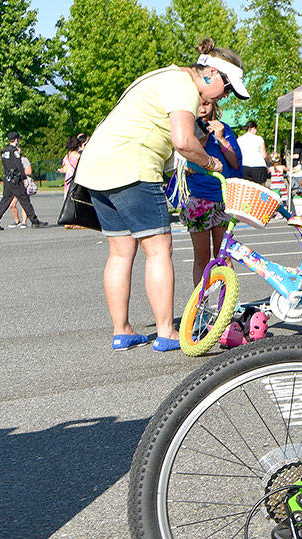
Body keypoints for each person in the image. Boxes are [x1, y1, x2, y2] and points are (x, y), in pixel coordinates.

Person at [74, 38, 249, 350]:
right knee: (158, 249)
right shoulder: (184, 85)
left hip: (96, 167)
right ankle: (167, 332)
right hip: (132, 167)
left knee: (119, 252)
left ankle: (122, 330)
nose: (226, 95)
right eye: (226, 87)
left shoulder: (163, 76)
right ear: (210, 73)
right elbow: (183, 140)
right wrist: (212, 163)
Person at [175, 100, 241, 286]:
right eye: (198, 104)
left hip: (222, 198)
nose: (203, 109)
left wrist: (220, 138)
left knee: (224, 255)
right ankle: (200, 305)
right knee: (202, 258)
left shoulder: (224, 128)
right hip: (197, 199)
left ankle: (229, 303)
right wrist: (200, 137)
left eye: (207, 104)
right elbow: (180, 163)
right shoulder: (184, 131)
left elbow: (235, 163)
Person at [0, 132, 49, 230]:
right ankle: (35, 221)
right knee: (25, 200)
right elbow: (19, 166)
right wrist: (24, 179)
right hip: (16, 180)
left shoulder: (4, 151)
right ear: (16, 140)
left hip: (7, 179)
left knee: (5, 200)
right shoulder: (15, 151)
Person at [237, 120, 269, 184]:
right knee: (260, 188)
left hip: (244, 165)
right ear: (254, 128)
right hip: (258, 165)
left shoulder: (239, 139)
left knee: (247, 187)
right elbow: (264, 154)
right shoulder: (259, 138)